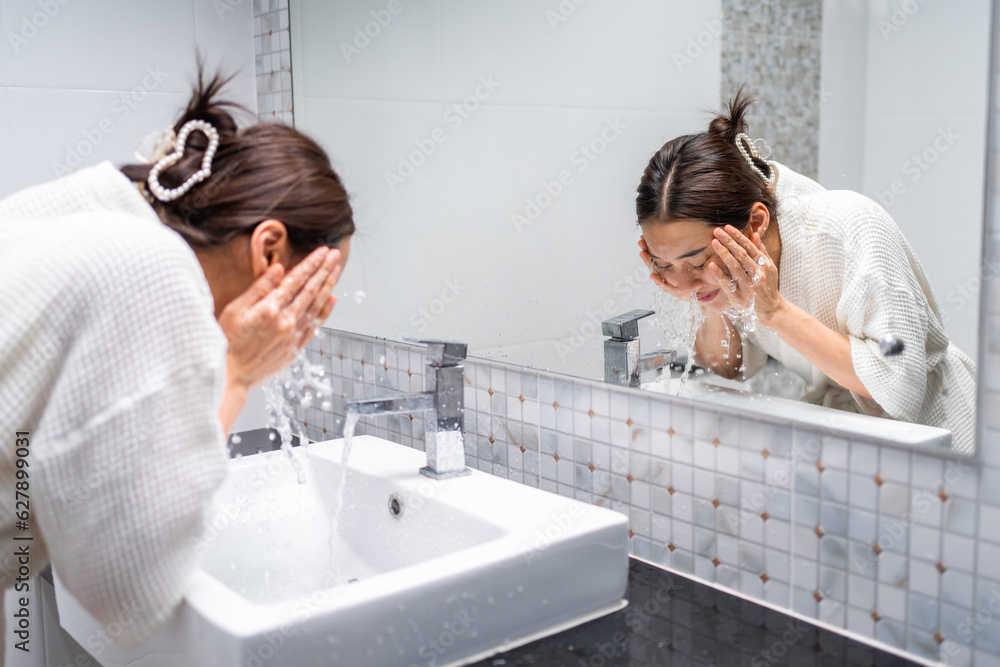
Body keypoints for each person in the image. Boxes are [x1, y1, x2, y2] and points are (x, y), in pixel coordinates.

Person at [0, 69, 354, 650]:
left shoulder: (93, 208)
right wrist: (237, 372)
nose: (309, 324)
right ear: (269, 249)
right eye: (314, 292)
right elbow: (128, 593)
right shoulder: (152, 273)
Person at [635, 88, 977, 453]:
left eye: (698, 261)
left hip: (943, 439)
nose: (683, 279)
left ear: (756, 222)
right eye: (665, 264)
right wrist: (705, 297)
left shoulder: (852, 227)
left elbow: (899, 386)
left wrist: (775, 312)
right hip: (846, 441)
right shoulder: (733, 261)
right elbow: (728, 369)